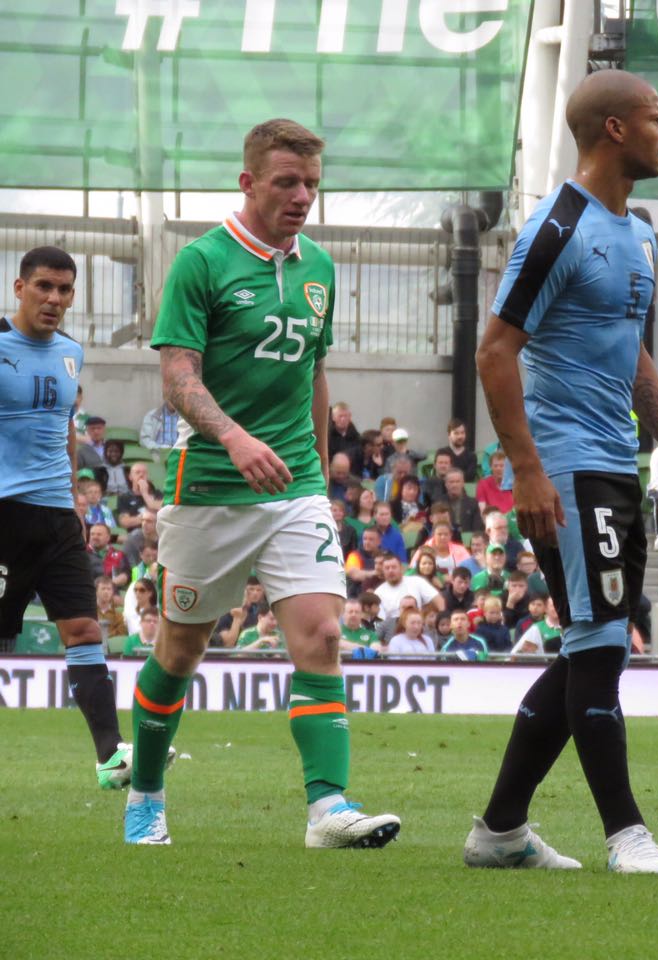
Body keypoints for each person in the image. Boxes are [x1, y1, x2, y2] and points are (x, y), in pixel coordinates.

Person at [465, 70, 658, 875]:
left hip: (617, 462)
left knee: (589, 647)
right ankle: (625, 833)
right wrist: (528, 471)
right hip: (568, 466)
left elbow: (628, 350)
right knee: (601, 643)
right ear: (614, 129)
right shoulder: (557, 226)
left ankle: (500, 830)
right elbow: (495, 351)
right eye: (655, 119)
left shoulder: (637, 231)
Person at [124, 118, 398, 848]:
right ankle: (145, 794)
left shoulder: (320, 267)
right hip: (210, 487)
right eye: (286, 182)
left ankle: (327, 809)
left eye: (312, 183)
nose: (302, 196)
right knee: (180, 651)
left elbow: (313, 369)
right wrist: (235, 436)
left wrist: (320, 474)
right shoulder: (202, 263)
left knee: (324, 634)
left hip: (294, 486)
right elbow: (178, 377)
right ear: (248, 182)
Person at [0, 246, 141, 787]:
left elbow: (64, 428)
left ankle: (110, 757)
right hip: (5, 515)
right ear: (19, 288)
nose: (53, 298)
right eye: (43, 286)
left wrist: (75, 501)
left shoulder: (70, 352)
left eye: (64, 290)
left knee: (83, 629)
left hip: (57, 516)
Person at [373, 553, 443, 621]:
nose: (390, 571)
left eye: (394, 567)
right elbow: (381, 620)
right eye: (387, 568)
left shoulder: (417, 581)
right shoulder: (378, 593)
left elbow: (438, 600)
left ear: (401, 568)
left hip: (418, 623)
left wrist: (441, 619)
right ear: (383, 571)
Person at [438, 417, 478, 481]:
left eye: (462, 433)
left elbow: (470, 476)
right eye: (456, 433)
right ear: (449, 435)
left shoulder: (471, 455)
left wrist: (450, 475)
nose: (460, 436)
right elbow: (441, 473)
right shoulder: (442, 453)